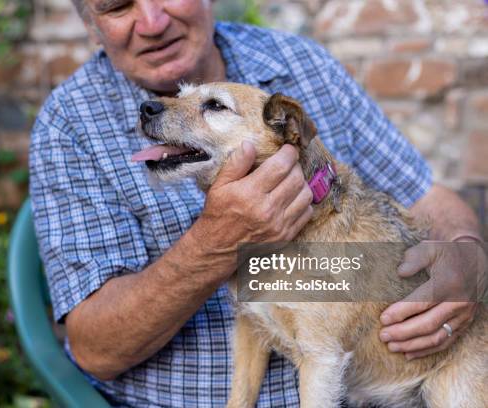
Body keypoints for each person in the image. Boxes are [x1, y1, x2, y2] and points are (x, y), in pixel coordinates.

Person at [29, 0, 486, 406]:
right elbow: (95, 349)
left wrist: (468, 253)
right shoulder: (67, 127)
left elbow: (425, 195)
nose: (151, 21)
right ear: (91, 26)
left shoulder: (302, 63)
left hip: (395, 380)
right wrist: (216, 244)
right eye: (117, 6)